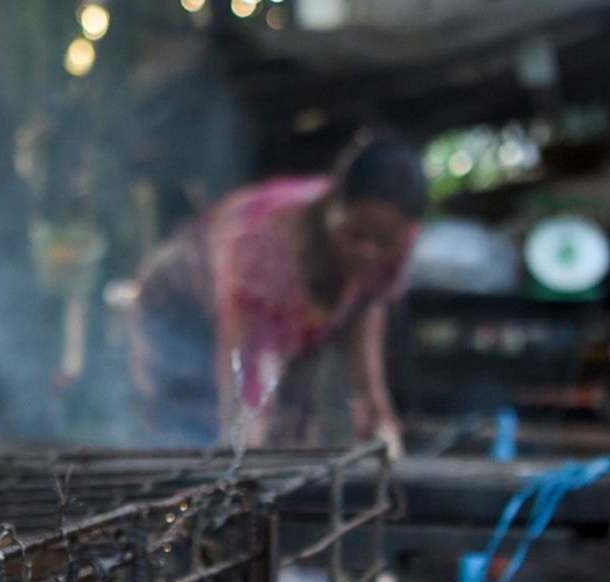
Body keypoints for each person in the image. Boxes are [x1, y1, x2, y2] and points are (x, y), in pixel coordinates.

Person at [128, 135, 427, 454]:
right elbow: (245, 375)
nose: (369, 251)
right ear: (332, 206)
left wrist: (376, 409)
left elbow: (367, 306)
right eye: (356, 234)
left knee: (293, 423)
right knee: (197, 421)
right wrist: (245, 454)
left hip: (269, 316)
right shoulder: (265, 243)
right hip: (181, 302)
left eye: (383, 241)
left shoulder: (400, 239)